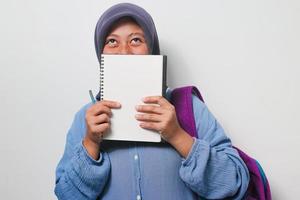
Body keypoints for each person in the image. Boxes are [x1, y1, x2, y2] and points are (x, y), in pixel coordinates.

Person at [54, 3, 249, 200]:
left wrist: (176, 135)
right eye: (112, 41)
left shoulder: (188, 107)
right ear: (100, 52)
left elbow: (234, 183)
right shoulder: (86, 119)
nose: (124, 52)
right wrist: (91, 143)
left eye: (136, 40)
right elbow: (66, 196)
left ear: (152, 48)